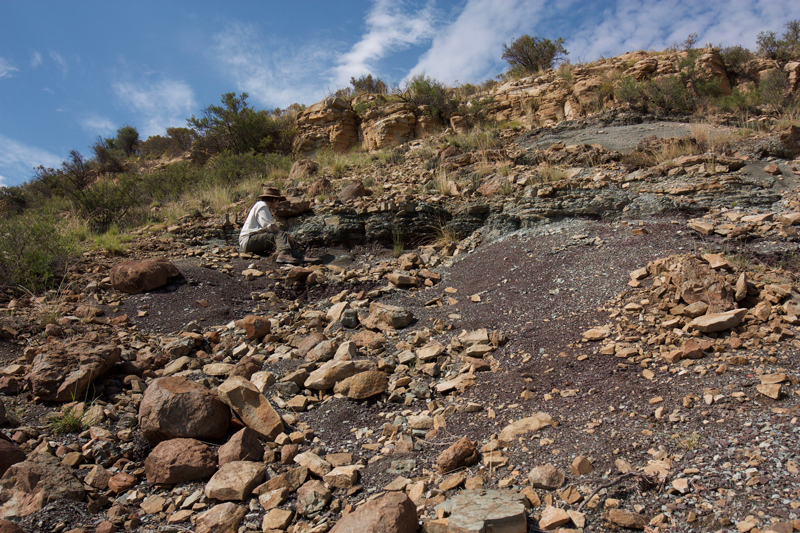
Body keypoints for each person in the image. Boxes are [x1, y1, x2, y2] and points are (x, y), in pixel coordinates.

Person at [239, 186, 319, 264]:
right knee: (280, 234)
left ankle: (299, 257)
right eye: (278, 201)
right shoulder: (262, 205)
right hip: (248, 240)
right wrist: (286, 235)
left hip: (252, 241)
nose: (278, 203)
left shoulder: (262, 205)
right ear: (274, 199)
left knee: (282, 236)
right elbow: (269, 226)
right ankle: (283, 255)